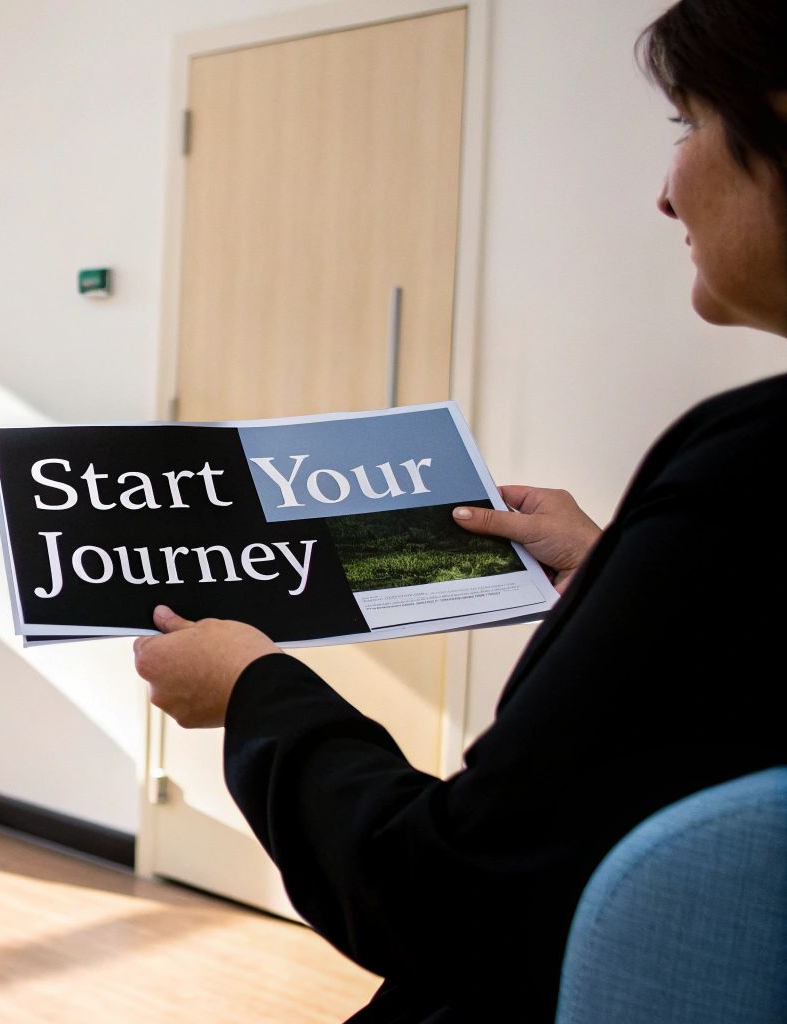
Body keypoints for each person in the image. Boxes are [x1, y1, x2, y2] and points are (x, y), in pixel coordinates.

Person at [131, 1, 787, 1020]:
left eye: (684, 126)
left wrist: (253, 690)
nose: (664, 193)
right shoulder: (734, 514)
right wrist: (624, 564)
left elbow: (434, 889)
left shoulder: (746, 470)